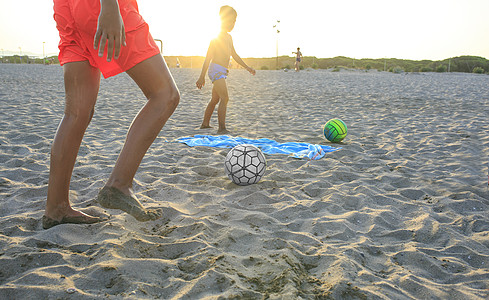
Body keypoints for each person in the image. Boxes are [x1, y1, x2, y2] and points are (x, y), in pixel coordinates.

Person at [43, 0, 180, 229]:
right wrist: (109, 7)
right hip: (100, 6)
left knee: (76, 114)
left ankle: (56, 207)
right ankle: (120, 184)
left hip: (67, 8)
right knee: (165, 94)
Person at [196, 5, 255, 134]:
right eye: (231, 21)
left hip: (222, 71)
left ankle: (205, 124)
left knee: (215, 99)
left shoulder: (229, 38)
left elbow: (234, 55)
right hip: (215, 70)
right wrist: (201, 76)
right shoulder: (215, 38)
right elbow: (207, 59)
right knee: (225, 98)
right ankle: (222, 128)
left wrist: (247, 67)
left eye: (235, 21)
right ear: (223, 20)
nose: (233, 24)